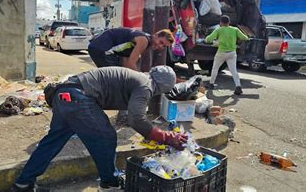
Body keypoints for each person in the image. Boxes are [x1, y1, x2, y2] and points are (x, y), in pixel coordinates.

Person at [11, 66, 187, 192]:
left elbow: (135, 115)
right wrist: (165, 136)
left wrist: (153, 133)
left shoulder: (139, 78)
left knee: (53, 142)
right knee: (106, 137)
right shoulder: (145, 85)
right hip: (78, 98)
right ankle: (109, 181)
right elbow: (136, 119)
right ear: (163, 86)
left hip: (64, 95)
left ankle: (23, 184)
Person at [88, 28, 174, 71]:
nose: (160, 46)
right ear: (156, 35)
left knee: (118, 74)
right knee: (114, 76)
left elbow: (126, 60)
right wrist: (142, 78)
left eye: (164, 46)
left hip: (97, 47)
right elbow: (130, 63)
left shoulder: (145, 39)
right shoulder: (144, 41)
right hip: (101, 48)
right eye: (161, 42)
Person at [205, 15, 249, 95]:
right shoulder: (235, 29)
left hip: (221, 53)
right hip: (232, 53)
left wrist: (206, 39)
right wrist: (245, 38)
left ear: (221, 23)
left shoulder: (219, 30)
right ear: (229, 22)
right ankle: (238, 86)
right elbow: (245, 38)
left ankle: (211, 84)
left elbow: (209, 39)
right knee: (234, 71)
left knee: (215, 68)